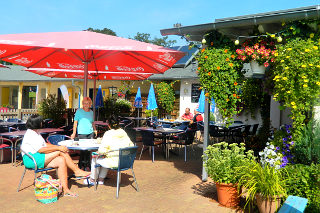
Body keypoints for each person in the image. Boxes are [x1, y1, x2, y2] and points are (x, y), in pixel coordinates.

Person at [21, 114, 90, 197]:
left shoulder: (36, 132)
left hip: (39, 156)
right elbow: (41, 149)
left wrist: (58, 147)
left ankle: (66, 189)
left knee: (61, 160)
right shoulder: (31, 134)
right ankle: (76, 171)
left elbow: (44, 145)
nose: (42, 123)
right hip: (32, 159)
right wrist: (58, 148)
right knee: (60, 152)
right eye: (41, 121)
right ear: (37, 123)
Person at [71, 97, 97, 170]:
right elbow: (75, 122)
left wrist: (95, 130)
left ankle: (88, 165)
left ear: (90, 104)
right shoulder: (79, 111)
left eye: (88, 103)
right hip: (82, 133)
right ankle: (81, 165)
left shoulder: (91, 112)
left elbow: (92, 122)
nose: (86, 105)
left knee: (89, 150)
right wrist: (74, 133)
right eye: (85, 103)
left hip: (90, 133)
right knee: (83, 150)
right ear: (82, 104)